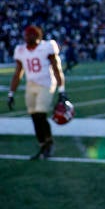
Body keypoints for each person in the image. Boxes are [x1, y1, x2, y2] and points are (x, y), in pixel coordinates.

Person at [8, 25, 66, 159]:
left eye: (31, 34)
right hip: (31, 85)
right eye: (27, 35)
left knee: (41, 114)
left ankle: (49, 143)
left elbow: (57, 69)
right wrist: (11, 93)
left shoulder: (47, 47)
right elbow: (18, 73)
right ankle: (42, 145)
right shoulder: (20, 50)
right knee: (34, 117)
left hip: (46, 84)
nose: (28, 37)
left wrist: (62, 90)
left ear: (38, 35)